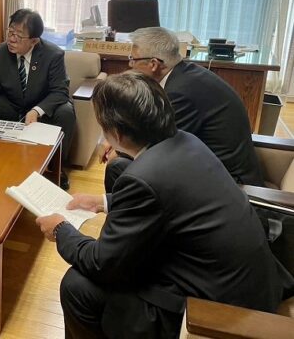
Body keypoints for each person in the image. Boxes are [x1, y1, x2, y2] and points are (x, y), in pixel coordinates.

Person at [36, 72, 293, 339]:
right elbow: (171, 199)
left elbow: (101, 264)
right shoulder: (188, 141)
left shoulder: (143, 178)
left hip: (219, 307)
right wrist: (102, 202)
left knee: (77, 285)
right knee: (119, 170)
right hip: (249, 281)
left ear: (117, 134)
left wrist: (61, 229)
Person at [103, 26, 263, 191]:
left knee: (117, 167)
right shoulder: (184, 76)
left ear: (153, 64)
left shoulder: (181, 92)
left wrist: (120, 147)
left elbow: (161, 145)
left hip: (226, 181)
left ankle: (117, 206)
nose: (130, 64)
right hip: (208, 165)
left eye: (133, 59)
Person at [0, 9, 75, 189]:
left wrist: (37, 111)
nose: (11, 39)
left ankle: (56, 169)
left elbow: (60, 91)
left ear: (34, 40)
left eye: (18, 36)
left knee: (66, 112)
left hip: (41, 105)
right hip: (13, 102)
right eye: (10, 32)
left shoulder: (53, 55)